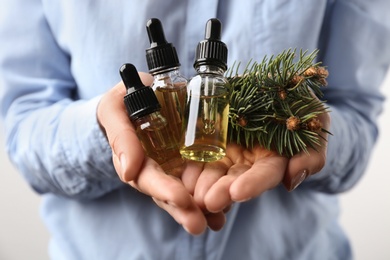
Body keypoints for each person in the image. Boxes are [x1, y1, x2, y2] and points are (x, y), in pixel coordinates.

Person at [0, 1, 389, 259]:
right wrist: (106, 134)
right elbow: (23, 120)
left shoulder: (204, 84)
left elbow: (355, 108)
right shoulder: (182, 87)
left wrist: (308, 129)